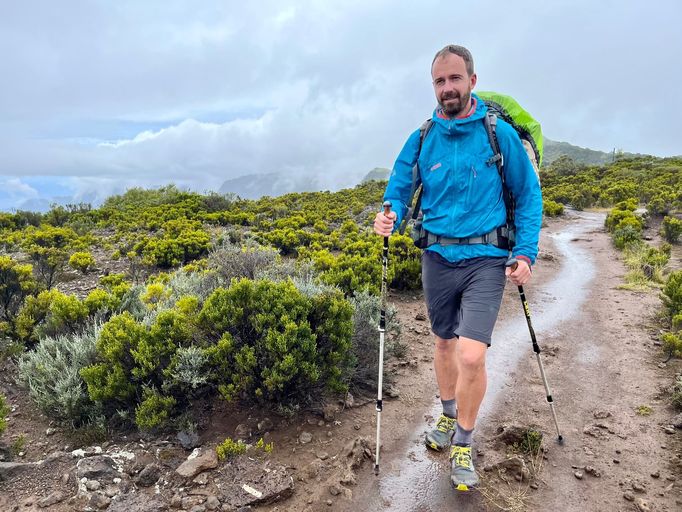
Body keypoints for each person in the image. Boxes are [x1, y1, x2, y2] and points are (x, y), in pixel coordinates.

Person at [373, 44, 542, 491]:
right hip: (437, 257)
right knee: (444, 344)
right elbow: (399, 184)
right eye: (439, 81)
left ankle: (463, 442)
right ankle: (448, 416)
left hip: (486, 260)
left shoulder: (496, 134)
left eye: (455, 78)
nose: (448, 88)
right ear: (434, 86)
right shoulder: (423, 135)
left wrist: (524, 252)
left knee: (471, 352)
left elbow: (527, 196)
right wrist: (389, 213)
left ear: (472, 80)